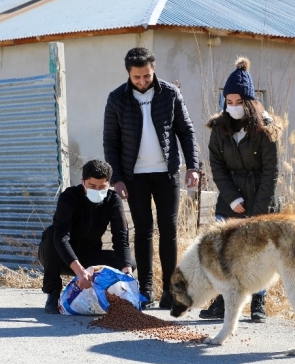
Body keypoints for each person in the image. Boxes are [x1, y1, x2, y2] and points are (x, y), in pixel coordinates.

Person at [103, 47, 200, 309]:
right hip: (134, 177)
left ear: (153, 70)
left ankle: (170, 291)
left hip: (166, 174)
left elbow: (186, 131)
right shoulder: (116, 99)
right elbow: (110, 142)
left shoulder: (170, 93)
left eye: (147, 76)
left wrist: (193, 166)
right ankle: (145, 290)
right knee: (143, 230)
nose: (143, 81)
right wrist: (117, 178)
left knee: (168, 231)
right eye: (137, 77)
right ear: (128, 74)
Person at [199, 56, 282, 322]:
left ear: (249, 102)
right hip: (230, 200)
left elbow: (271, 172)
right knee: (224, 251)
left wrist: (258, 212)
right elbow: (217, 166)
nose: (233, 107)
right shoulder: (218, 128)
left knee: (260, 252)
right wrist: (232, 198)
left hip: (261, 198)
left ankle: (258, 301)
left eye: (238, 102)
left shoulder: (266, 129)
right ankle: (222, 301)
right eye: (229, 101)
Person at [38, 159, 135, 314]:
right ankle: (53, 293)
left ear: (108, 184)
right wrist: (79, 271)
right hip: (60, 257)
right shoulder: (69, 197)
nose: (97, 190)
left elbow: (121, 239)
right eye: (92, 186)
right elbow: (61, 237)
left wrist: (127, 275)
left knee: (128, 262)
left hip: (90, 257)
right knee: (51, 234)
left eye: (102, 187)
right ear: (82, 182)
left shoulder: (113, 200)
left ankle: (103, 296)